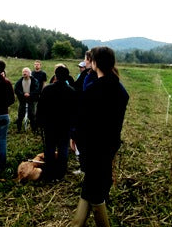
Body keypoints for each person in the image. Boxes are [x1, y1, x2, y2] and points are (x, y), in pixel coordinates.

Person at [71, 46, 129, 227]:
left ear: (95, 63)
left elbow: (83, 121)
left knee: (94, 190)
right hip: (110, 145)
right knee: (93, 185)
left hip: (93, 146)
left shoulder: (93, 90)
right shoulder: (120, 90)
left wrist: (75, 137)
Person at [36, 65, 77, 182]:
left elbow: (40, 108)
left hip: (50, 125)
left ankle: (49, 172)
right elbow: (75, 111)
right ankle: (61, 173)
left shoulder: (47, 89)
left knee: (49, 148)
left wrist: (39, 122)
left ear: (56, 75)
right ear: (67, 76)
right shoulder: (71, 91)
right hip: (65, 126)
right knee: (63, 148)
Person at [14, 67, 40, 132]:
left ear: (29, 73)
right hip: (22, 100)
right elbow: (16, 89)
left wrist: (30, 94)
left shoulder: (34, 81)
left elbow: (37, 90)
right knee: (20, 115)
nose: (24, 73)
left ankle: (34, 129)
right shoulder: (20, 81)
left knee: (32, 115)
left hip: (31, 100)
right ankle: (19, 129)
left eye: (26, 72)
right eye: (23, 72)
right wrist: (23, 94)